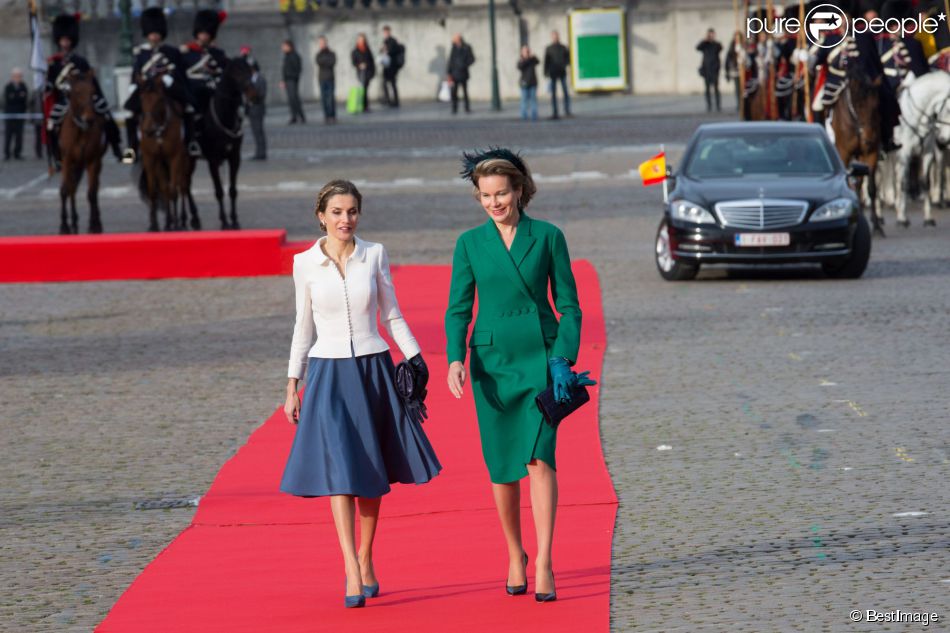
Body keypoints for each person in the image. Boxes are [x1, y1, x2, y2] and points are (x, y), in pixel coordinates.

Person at [281, 179, 441, 609]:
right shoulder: (304, 263)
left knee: (371, 474)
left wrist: (416, 357)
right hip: (328, 375)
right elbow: (302, 326)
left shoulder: (375, 255)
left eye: (351, 211)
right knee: (340, 472)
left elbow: (392, 314)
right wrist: (292, 384)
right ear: (321, 215)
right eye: (336, 212)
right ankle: (350, 566)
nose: (345, 219)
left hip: (373, 369)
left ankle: (367, 558)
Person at [445, 148, 596, 603]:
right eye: (486, 196)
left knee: (539, 460)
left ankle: (546, 559)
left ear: (519, 190)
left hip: (541, 360)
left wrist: (562, 358)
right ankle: (516, 554)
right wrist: (454, 359)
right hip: (491, 368)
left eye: (502, 193)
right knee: (502, 468)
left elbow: (569, 306)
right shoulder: (469, 244)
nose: (495, 203)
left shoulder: (548, 237)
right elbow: (458, 309)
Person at [44, 14, 123, 166]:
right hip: (64, 101)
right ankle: (56, 156)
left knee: (106, 115)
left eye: (67, 40)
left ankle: (117, 148)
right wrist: (45, 85)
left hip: (84, 99)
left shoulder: (80, 61)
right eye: (62, 40)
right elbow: (50, 84)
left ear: (71, 41)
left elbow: (90, 81)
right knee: (50, 124)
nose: (65, 43)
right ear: (59, 41)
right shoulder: (54, 63)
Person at [122, 7, 199, 163]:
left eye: (156, 33)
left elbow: (179, 71)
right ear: (147, 34)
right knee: (130, 114)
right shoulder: (141, 53)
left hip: (168, 90)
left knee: (188, 109)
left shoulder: (171, 52)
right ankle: (131, 149)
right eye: (151, 33)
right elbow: (136, 71)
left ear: (161, 33)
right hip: (146, 90)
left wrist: (169, 80)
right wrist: (133, 85)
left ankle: (191, 143)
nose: (154, 36)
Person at [180, 9, 229, 147]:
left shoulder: (217, 53)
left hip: (213, 89)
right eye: (202, 33)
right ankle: (192, 140)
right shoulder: (187, 52)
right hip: (194, 91)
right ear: (197, 34)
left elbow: (224, 72)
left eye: (207, 33)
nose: (204, 36)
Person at [242, 47, 267, 160]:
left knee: (258, 131)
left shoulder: (260, 79)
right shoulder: (250, 79)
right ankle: (259, 152)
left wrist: (252, 98)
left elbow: (262, 94)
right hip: (251, 109)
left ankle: (261, 153)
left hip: (257, 108)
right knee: (255, 131)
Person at [543, 31, 571, 119]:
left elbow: (568, 59)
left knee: (565, 92)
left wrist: (564, 64)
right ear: (552, 37)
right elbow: (546, 61)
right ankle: (555, 112)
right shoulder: (549, 48)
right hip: (553, 73)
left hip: (562, 72)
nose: (555, 37)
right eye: (553, 36)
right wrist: (546, 72)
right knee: (554, 94)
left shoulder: (563, 47)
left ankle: (567, 110)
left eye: (556, 36)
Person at [446, 34, 475, 114]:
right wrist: (449, 73)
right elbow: (451, 61)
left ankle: (467, 108)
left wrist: (464, 65)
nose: (453, 40)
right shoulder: (454, 48)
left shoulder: (466, 47)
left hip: (463, 73)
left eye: (455, 39)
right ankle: (454, 108)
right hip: (455, 73)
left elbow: (472, 59)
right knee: (454, 92)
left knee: (465, 91)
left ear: (459, 39)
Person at [4, 68, 28, 160]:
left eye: (19, 76)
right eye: (16, 76)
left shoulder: (23, 86)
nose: (17, 78)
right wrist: (18, 96)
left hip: (20, 115)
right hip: (10, 115)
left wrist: (15, 96)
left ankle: (17, 153)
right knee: (8, 135)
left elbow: (24, 100)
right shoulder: (8, 86)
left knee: (19, 135)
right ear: (12, 77)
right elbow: (9, 100)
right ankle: (7, 153)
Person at [697, 28, 722, 112]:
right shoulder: (705, 44)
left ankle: (718, 105)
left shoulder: (716, 44)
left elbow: (720, 48)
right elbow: (698, 48)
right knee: (707, 89)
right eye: (709, 34)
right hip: (706, 69)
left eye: (712, 34)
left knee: (716, 88)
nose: (711, 36)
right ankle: (709, 105)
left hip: (714, 69)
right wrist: (705, 40)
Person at [281, 40, 306, 124]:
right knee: (291, 99)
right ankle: (294, 116)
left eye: (284, 46)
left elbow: (297, 69)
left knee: (294, 99)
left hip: (292, 80)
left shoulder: (294, 56)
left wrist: (293, 78)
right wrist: (283, 80)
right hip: (288, 80)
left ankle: (301, 116)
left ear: (289, 46)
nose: (283, 48)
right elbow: (284, 70)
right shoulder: (287, 56)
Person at [380, 25, 404, 108]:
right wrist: (382, 50)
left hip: (392, 66)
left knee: (392, 83)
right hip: (387, 65)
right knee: (385, 83)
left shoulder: (393, 41)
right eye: (384, 32)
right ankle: (388, 99)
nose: (385, 33)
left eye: (387, 32)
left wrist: (387, 50)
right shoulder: (385, 41)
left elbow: (394, 51)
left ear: (389, 32)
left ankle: (395, 101)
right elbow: (382, 51)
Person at [351, 34, 375, 113]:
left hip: (367, 72)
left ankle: (365, 105)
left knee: (365, 89)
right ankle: (362, 105)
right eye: (360, 39)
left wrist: (372, 71)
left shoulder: (367, 49)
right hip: (360, 72)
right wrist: (359, 65)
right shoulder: (355, 51)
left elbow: (371, 61)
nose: (361, 41)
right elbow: (353, 62)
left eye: (362, 39)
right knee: (362, 89)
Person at [315, 36, 337, 123]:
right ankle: (326, 116)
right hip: (322, 78)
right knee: (324, 98)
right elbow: (319, 62)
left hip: (330, 78)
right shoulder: (318, 54)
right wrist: (325, 61)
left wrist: (324, 62)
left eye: (323, 42)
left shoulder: (331, 53)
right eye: (320, 43)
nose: (322, 44)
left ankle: (332, 115)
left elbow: (332, 62)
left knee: (330, 98)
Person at [517, 46, 539, 121]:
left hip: (533, 82)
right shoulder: (521, 60)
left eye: (527, 51)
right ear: (522, 52)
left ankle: (534, 116)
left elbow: (538, 62)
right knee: (524, 100)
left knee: (533, 100)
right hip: (524, 82)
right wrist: (527, 58)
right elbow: (520, 67)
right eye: (525, 51)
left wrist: (532, 57)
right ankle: (524, 116)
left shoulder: (532, 59)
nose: (526, 52)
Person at [724, 32, 741, 114]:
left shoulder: (742, 45)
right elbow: (728, 60)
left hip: (743, 70)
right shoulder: (732, 47)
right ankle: (739, 104)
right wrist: (727, 72)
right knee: (737, 89)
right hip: (735, 71)